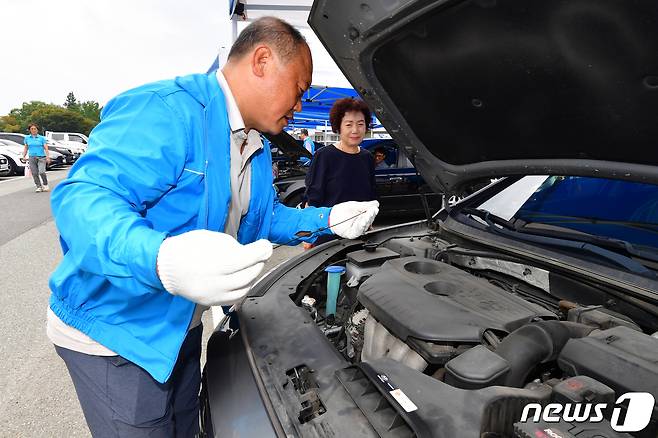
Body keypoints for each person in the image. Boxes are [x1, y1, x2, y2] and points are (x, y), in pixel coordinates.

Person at [47, 17, 378, 438]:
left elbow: (262, 218)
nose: (299, 106)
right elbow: (83, 200)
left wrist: (327, 219)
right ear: (261, 61)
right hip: (117, 338)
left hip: (182, 328)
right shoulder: (167, 110)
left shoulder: (254, 146)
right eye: (298, 90)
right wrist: (160, 258)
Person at [303, 97, 377, 246]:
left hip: (359, 235)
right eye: (349, 124)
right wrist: (307, 234)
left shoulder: (367, 157)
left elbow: (370, 196)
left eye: (360, 124)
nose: (355, 130)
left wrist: (368, 222)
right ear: (338, 127)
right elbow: (312, 199)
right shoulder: (324, 156)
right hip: (328, 237)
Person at [22, 123, 50, 192]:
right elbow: (26, 147)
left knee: (42, 171)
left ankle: (45, 184)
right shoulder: (27, 138)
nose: (33, 130)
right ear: (29, 130)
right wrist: (24, 156)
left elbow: (46, 148)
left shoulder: (42, 138)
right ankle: (39, 186)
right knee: (34, 173)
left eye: (35, 129)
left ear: (37, 130)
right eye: (32, 129)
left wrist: (47, 157)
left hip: (41, 157)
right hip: (32, 157)